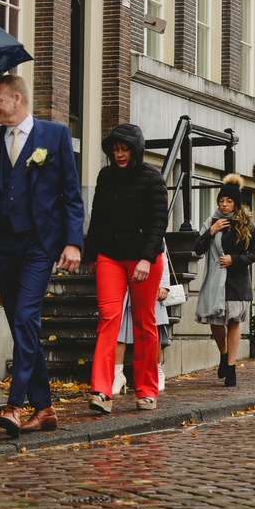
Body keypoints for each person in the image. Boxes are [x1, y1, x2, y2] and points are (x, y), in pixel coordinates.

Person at [0, 74, 85, 436]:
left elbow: (71, 194)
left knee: (25, 318)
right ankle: (46, 407)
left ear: (17, 99)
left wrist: (73, 243)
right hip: (1, 243)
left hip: (39, 243)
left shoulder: (55, 136)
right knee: (25, 325)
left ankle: (15, 404)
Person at [82, 124, 168, 413]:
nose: (119, 154)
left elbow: (158, 224)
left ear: (136, 149)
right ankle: (101, 391)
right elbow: (97, 217)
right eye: (115, 149)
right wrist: (91, 255)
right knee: (108, 317)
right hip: (110, 257)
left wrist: (146, 258)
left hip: (144, 259)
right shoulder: (106, 176)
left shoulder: (152, 179)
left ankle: (146, 390)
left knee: (145, 322)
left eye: (124, 149)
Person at [194, 173, 255, 388]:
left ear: (236, 203)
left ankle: (231, 368)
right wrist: (210, 232)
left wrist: (235, 259)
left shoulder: (247, 225)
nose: (224, 205)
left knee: (233, 322)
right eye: (221, 201)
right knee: (216, 323)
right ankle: (223, 354)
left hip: (236, 281)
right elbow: (197, 249)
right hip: (215, 281)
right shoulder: (212, 221)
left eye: (229, 201)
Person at [113, 252, 172, 394]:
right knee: (119, 328)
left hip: (151, 277)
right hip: (126, 278)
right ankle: (118, 375)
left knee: (153, 325)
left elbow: (161, 252)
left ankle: (157, 370)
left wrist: (163, 284)